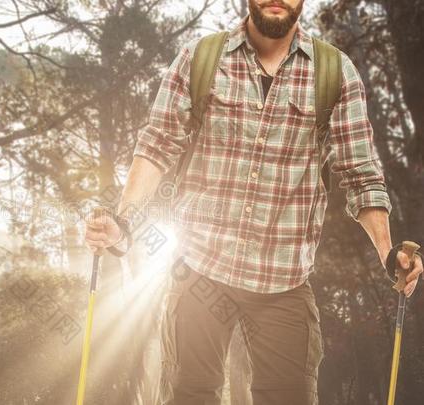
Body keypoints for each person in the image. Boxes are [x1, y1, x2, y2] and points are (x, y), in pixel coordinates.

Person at [84, 1, 424, 404]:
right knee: (186, 395)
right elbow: (157, 147)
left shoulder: (335, 73)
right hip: (198, 271)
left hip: (283, 281)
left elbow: (361, 174)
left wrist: (388, 254)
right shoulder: (200, 58)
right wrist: (122, 223)